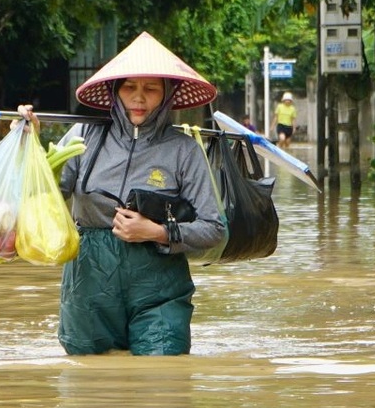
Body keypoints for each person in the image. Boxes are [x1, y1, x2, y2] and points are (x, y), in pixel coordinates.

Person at [20, 32, 226, 356]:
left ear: (167, 94)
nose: (139, 98)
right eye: (130, 87)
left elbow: (214, 228)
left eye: (151, 88)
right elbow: (43, 198)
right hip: (89, 285)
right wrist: (27, 143)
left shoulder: (184, 150)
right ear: (115, 92)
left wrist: (158, 232)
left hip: (159, 291)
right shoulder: (82, 136)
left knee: (163, 383)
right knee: (91, 390)